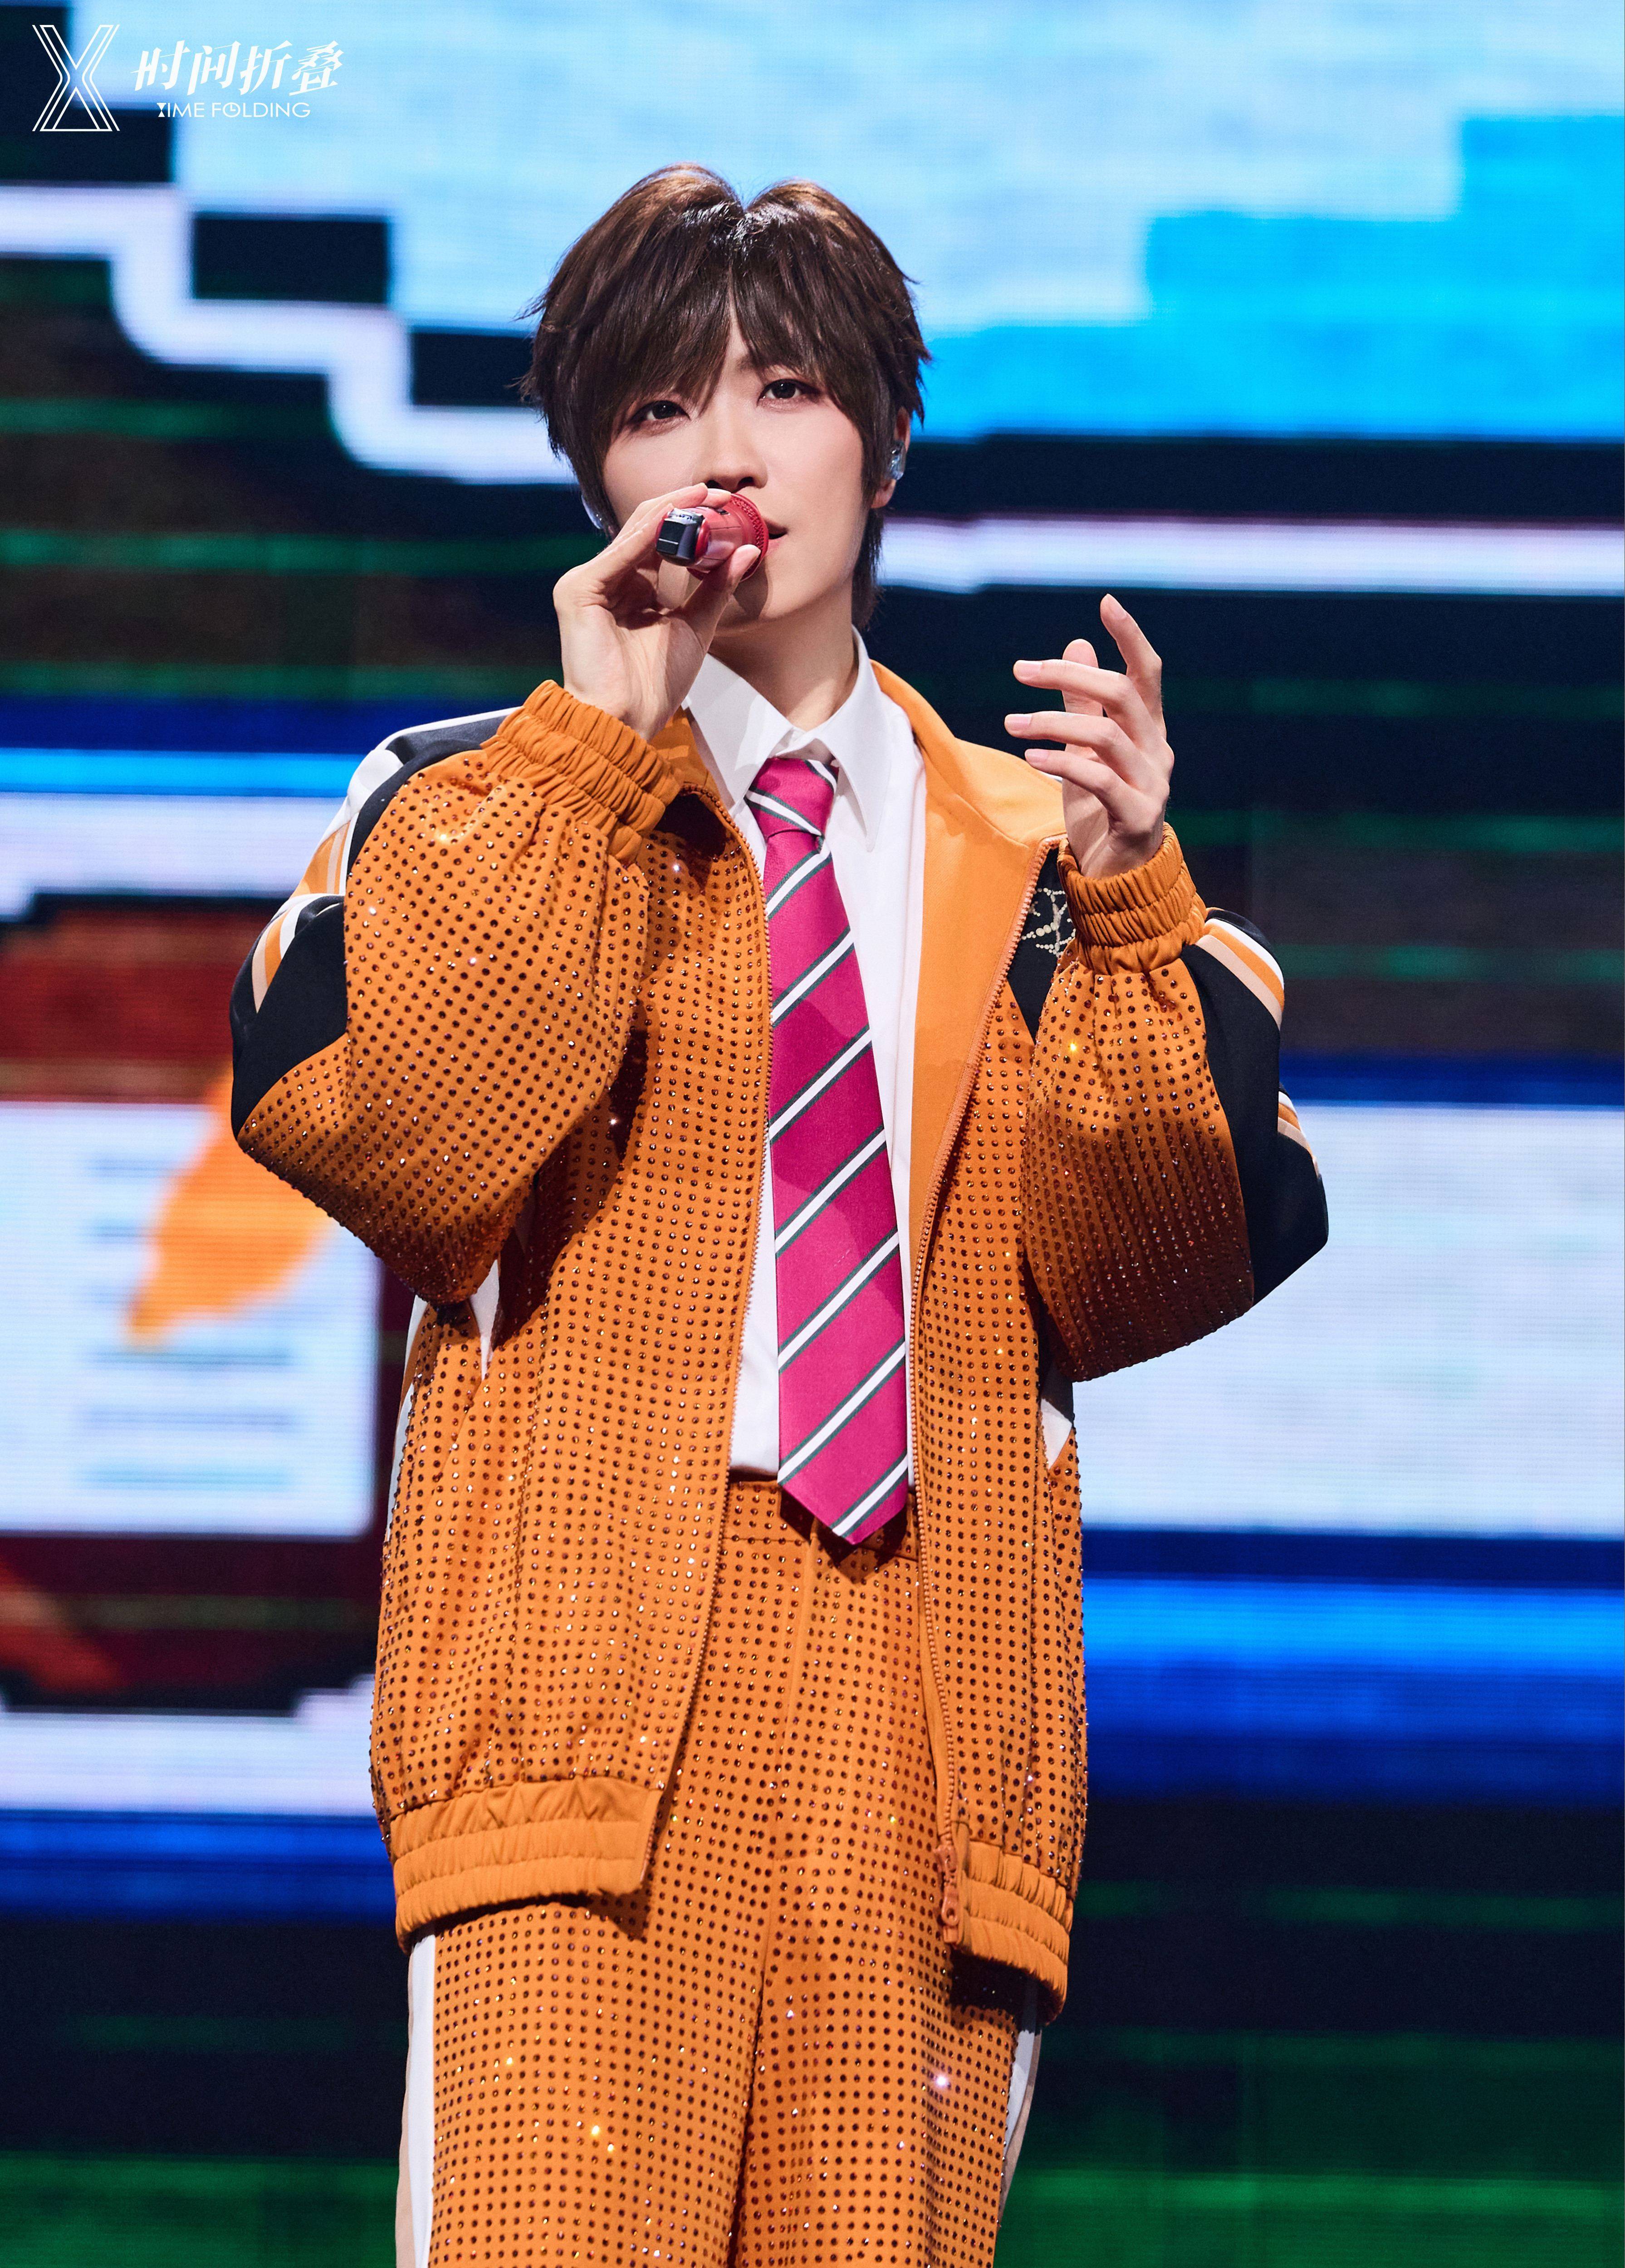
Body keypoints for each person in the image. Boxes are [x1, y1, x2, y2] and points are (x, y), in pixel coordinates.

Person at [229, 164, 1326, 2268]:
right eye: (660, 408)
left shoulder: (1044, 858)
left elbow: (1149, 1258)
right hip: (582, 1696)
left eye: (786, 390)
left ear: (883, 446)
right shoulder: (463, 802)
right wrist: (592, 755)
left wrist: (1127, 903)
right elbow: (407, 1141)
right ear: (595, 481)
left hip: (927, 1699)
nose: (724, 453)